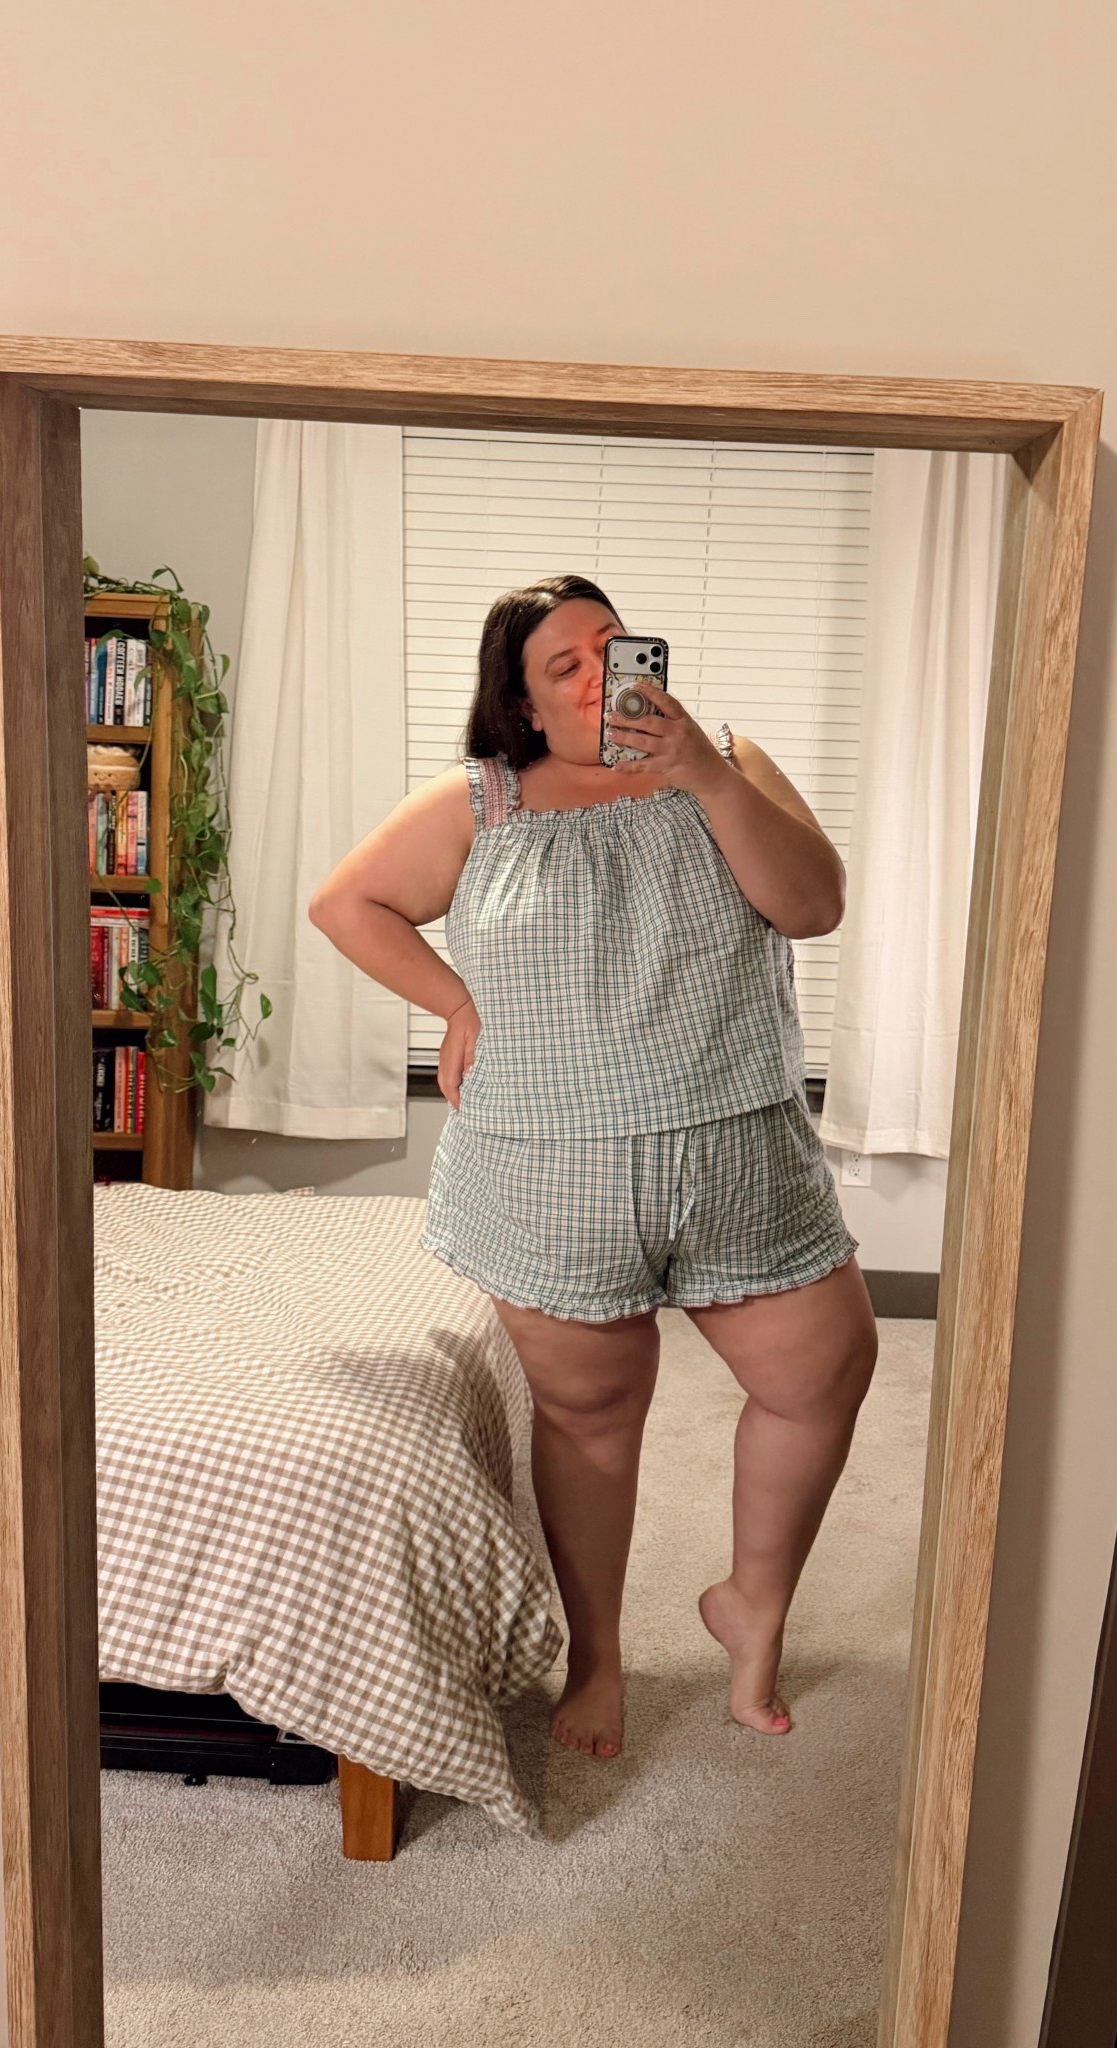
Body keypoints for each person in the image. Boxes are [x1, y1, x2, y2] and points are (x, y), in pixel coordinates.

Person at [308, 573, 879, 1763]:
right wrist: (454, 1003)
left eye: (612, 648)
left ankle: (753, 1607)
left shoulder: (728, 764)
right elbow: (347, 902)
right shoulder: (480, 801)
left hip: (741, 1150)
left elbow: (814, 905)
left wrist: (705, 773)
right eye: (562, 664)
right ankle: (599, 1655)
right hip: (550, 1174)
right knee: (591, 1419)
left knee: (824, 1369)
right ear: (520, 704)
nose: (598, 675)